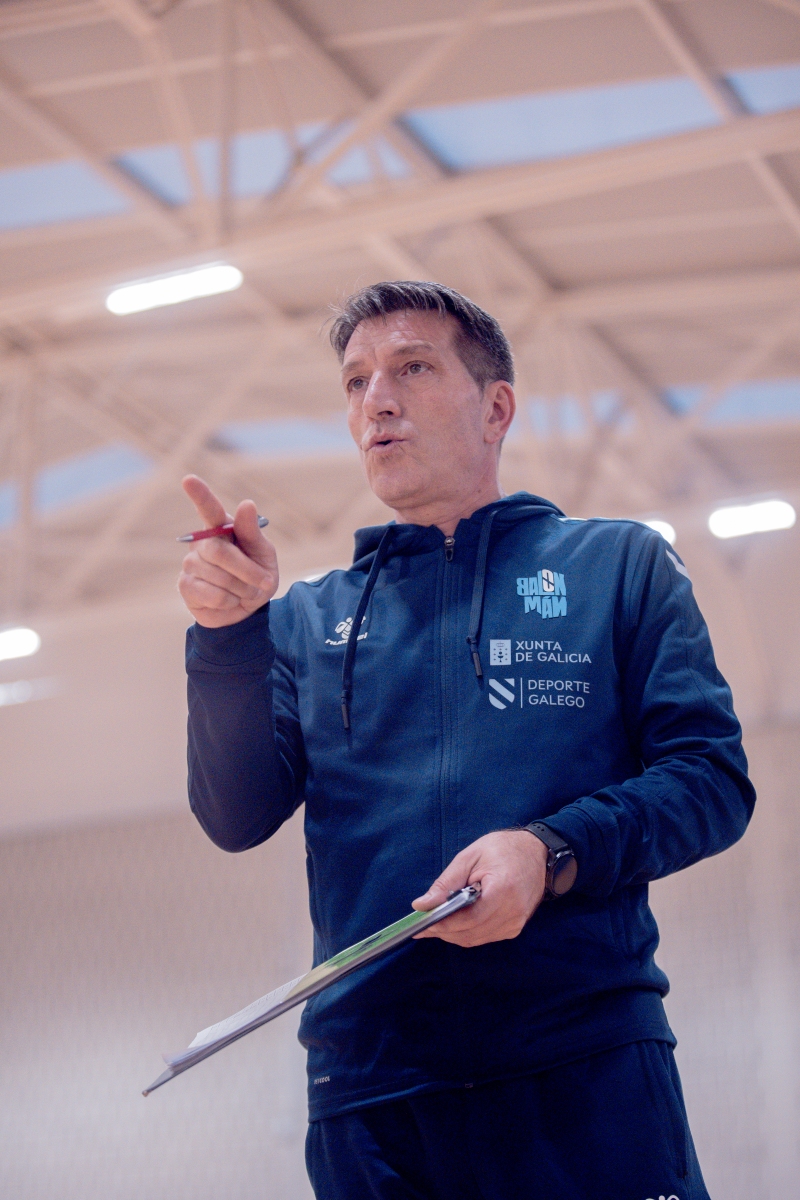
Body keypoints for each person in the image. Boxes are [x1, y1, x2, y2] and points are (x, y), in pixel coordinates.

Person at [178, 281, 754, 1200]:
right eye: (356, 381)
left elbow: (711, 781)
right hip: (372, 1101)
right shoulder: (301, 623)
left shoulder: (617, 567)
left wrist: (548, 851)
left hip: (583, 1070)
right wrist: (226, 639)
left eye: (411, 368)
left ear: (496, 409)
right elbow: (235, 815)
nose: (377, 400)